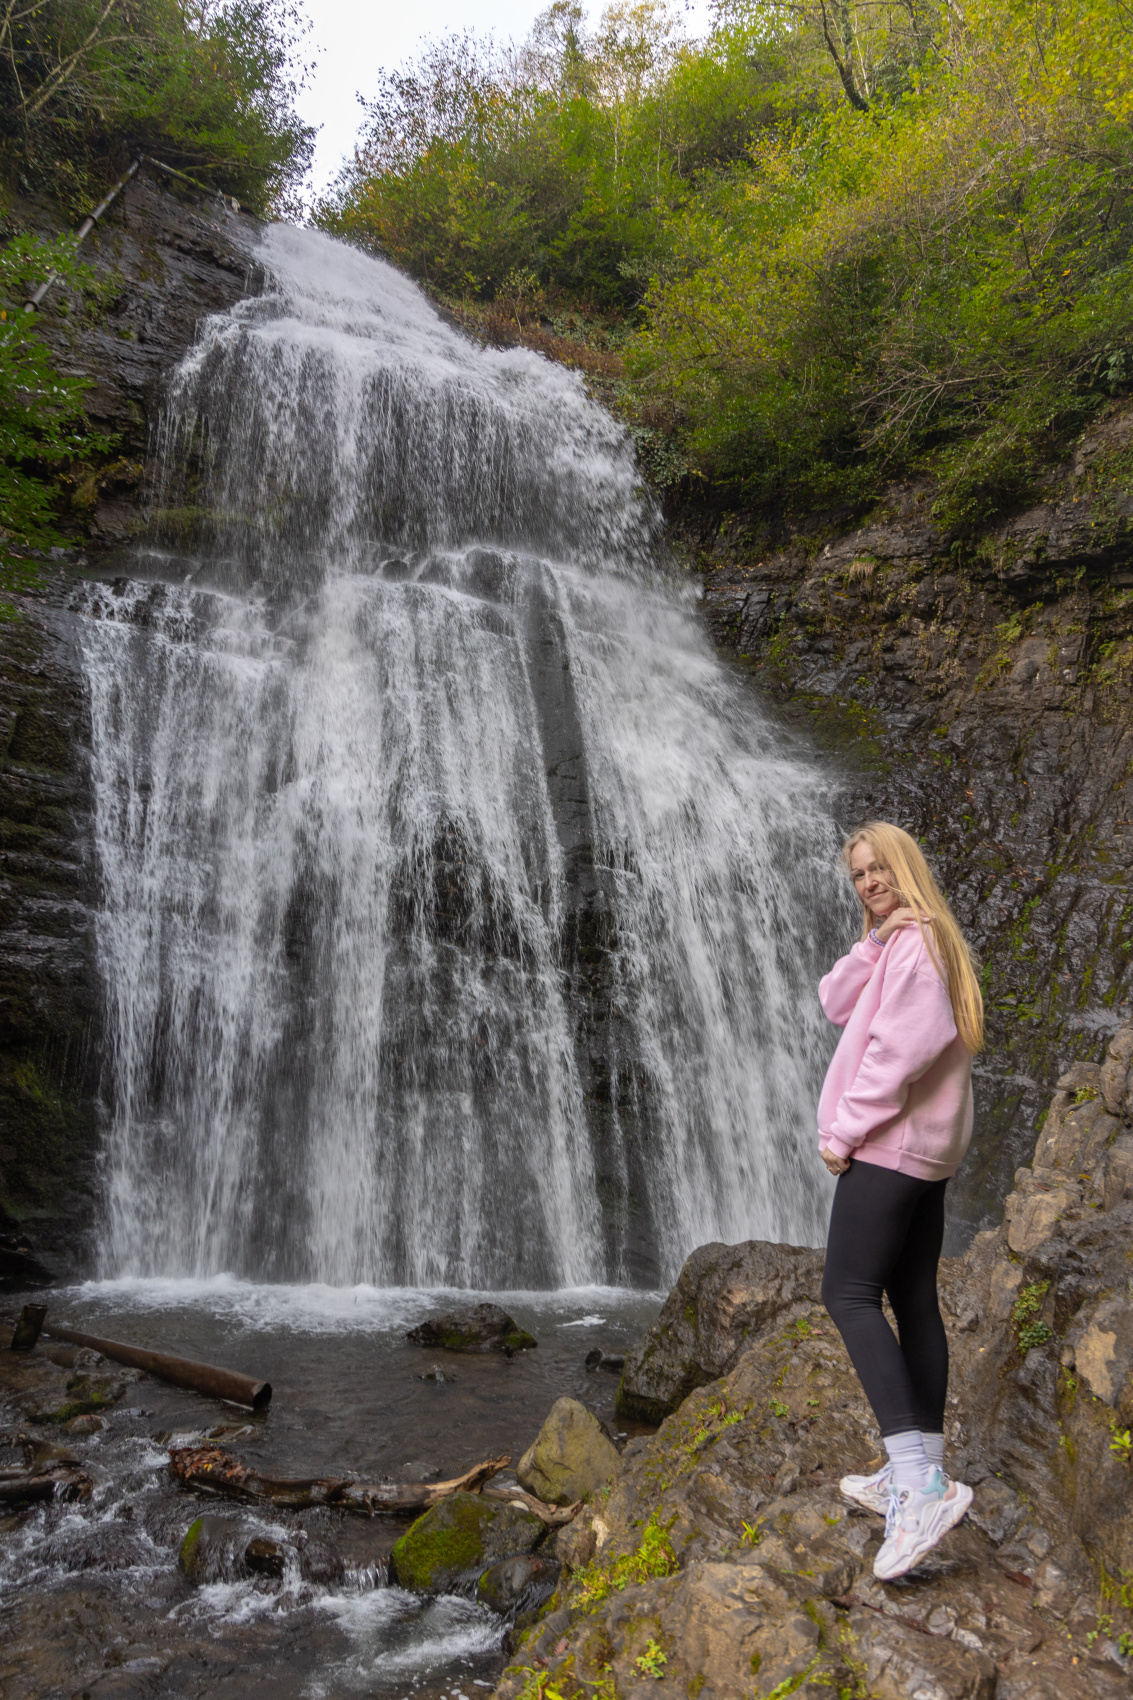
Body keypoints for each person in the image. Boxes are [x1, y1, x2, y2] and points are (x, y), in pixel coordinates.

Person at [816, 820, 983, 1580]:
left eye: (880, 868)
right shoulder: (909, 940)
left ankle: (916, 1484)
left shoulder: (920, 943)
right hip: (924, 1147)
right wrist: (873, 937)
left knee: (847, 1295)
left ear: (907, 865)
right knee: (911, 1297)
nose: (869, 881)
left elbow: (895, 1051)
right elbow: (834, 1001)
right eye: (858, 874)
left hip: (888, 1140)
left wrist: (843, 1131)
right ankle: (923, 1466)